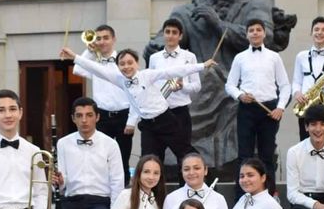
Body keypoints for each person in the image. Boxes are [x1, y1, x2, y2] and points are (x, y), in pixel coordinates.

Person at [143, 0, 297, 169]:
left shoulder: (254, 7)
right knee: (180, 114)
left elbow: (266, 38)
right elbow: (166, 38)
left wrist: (217, 23)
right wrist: (155, 47)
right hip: (202, 92)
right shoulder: (187, 12)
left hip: (240, 92)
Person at [61, 44, 214, 170]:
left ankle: (205, 180)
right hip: (147, 126)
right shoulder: (119, 79)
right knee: (148, 162)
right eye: (122, 64)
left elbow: (173, 71)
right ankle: (152, 195)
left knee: (185, 153)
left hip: (166, 120)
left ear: (137, 64)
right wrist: (74, 56)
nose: (126, 66)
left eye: (130, 63)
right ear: (118, 66)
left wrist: (202, 65)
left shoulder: (147, 75)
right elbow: (96, 68)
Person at [225, 19, 291, 195]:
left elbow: (285, 86)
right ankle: (241, 197)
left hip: (269, 110)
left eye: (258, 29)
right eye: (251, 30)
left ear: (264, 33)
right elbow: (230, 85)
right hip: (247, 109)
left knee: (267, 155)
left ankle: (269, 196)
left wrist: (280, 108)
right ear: (247, 34)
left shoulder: (274, 57)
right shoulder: (240, 58)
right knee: (244, 155)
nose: (255, 33)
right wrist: (240, 95)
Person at [74, 25, 132, 184]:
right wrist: (89, 51)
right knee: (100, 155)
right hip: (102, 115)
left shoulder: (123, 62)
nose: (102, 42)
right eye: (98, 38)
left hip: (124, 115)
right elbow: (77, 69)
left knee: (123, 156)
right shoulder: (94, 63)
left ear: (114, 39)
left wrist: (132, 120)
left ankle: (123, 190)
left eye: (106, 38)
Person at [147, 18, 201, 178]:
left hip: (179, 113)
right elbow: (149, 83)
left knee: (184, 158)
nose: (170, 36)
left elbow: (197, 86)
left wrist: (183, 86)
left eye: (174, 33)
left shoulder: (189, 57)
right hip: (158, 114)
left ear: (180, 36)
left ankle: (187, 192)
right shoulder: (154, 58)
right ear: (163, 34)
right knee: (153, 159)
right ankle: (155, 193)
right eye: (167, 32)